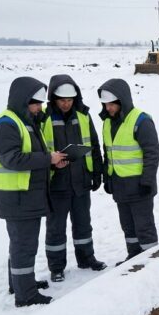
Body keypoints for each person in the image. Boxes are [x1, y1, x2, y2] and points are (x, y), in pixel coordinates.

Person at [0, 77, 67, 307]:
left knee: (21, 244)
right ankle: (26, 295)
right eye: (36, 103)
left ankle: (21, 283)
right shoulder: (6, 124)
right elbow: (12, 159)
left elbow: (32, 157)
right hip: (17, 197)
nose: (40, 108)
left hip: (26, 196)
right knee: (24, 246)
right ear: (23, 101)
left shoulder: (27, 122)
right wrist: (48, 158)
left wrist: (53, 164)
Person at [41, 75, 107, 282]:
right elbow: (38, 151)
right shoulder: (43, 118)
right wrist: (51, 163)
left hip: (81, 181)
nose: (66, 104)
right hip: (56, 183)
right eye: (62, 100)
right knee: (56, 228)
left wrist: (97, 173)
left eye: (69, 100)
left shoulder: (83, 116)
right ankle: (56, 267)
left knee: (83, 224)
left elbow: (93, 145)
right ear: (54, 98)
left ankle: (86, 258)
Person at [97, 79, 159, 263]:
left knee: (144, 227)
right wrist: (107, 178)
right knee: (128, 227)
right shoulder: (107, 123)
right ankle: (133, 258)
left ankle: (151, 262)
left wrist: (147, 181)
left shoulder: (141, 121)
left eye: (111, 104)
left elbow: (152, 154)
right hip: (119, 185)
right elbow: (108, 153)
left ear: (122, 100)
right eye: (105, 104)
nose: (108, 108)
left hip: (139, 186)